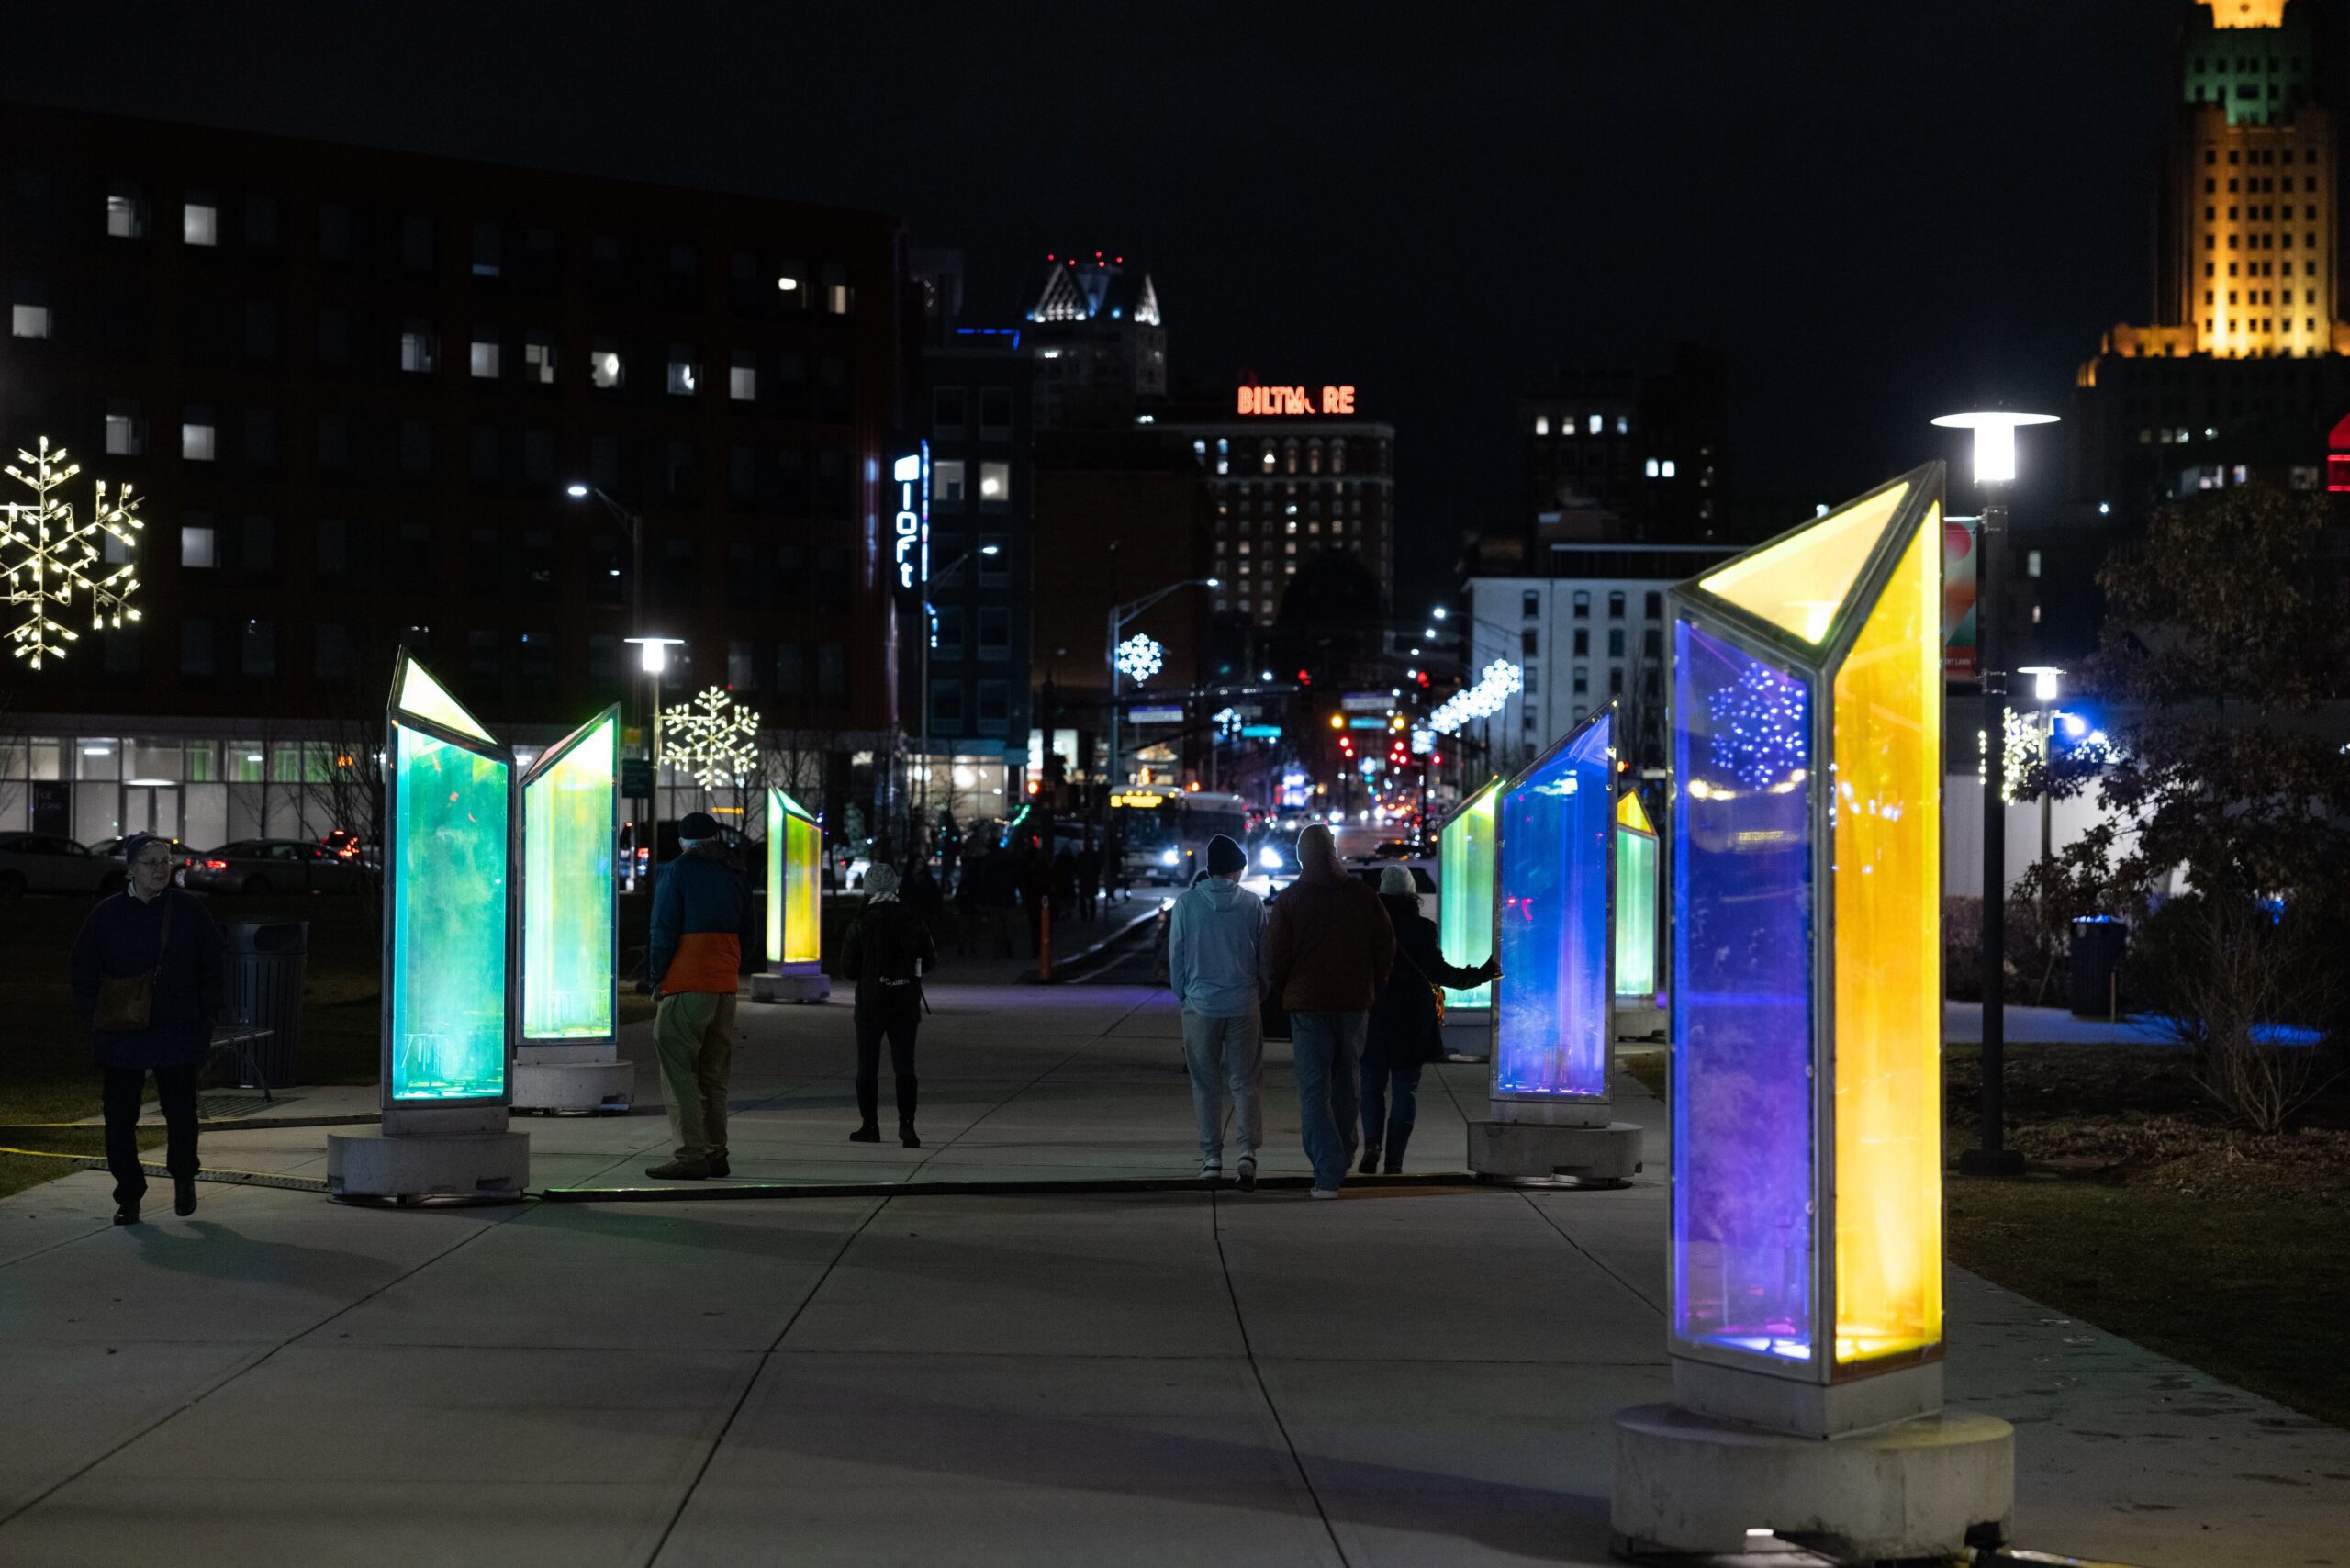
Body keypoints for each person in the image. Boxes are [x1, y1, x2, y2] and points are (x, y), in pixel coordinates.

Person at [69, 833, 225, 1225]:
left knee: (180, 1110)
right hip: (122, 1031)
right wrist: (93, 1017)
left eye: (166, 862)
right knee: (120, 1117)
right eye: (151, 862)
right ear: (131, 869)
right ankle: (129, 1194)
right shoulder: (107, 914)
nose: (160, 870)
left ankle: (184, 1175)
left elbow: (213, 965)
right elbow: (82, 968)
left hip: (178, 1028)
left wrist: (206, 1016)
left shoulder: (189, 911)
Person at [1264, 823, 1394, 1198]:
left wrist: (1285, 986)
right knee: (1347, 1083)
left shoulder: (1290, 900)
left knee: (1313, 1088)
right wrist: (1374, 983)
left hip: (1308, 1006)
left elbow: (1276, 957)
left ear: (1301, 856)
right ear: (1334, 851)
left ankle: (1327, 1169)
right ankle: (1343, 1155)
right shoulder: (1362, 896)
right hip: (1354, 1003)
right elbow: (1386, 945)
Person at [1365, 865, 1496, 1174]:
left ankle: (1372, 1144)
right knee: (1405, 1090)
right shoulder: (1423, 929)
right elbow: (1439, 972)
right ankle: (1394, 1161)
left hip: (1374, 1017)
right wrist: (1479, 975)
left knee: (1371, 1087)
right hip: (1412, 1021)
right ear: (1413, 894)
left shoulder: (1368, 927)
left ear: (1381, 894)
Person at [645, 811, 746, 1181]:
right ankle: (716, 1153)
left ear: (685, 842)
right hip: (725, 987)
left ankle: (690, 1156)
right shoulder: (735, 873)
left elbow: (663, 928)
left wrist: (656, 976)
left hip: (687, 984)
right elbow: (747, 933)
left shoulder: (676, 872)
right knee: (714, 1075)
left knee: (679, 1072)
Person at [1167, 834, 1266, 1190]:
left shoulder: (1186, 904)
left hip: (1200, 1004)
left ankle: (1211, 1158)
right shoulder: (1253, 905)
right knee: (1245, 1082)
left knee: (1205, 1083)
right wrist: (1259, 992)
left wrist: (1184, 995)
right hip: (1243, 1004)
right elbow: (1263, 958)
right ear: (1237, 869)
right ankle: (1247, 1153)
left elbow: (1176, 956)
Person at [838, 863, 939, 1147]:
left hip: (870, 1005)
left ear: (868, 891)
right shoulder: (913, 922)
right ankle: (907, 1127)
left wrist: (871, 975)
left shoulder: (860, 924)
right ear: (895, 888)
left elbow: (847, 969)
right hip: (905, 1004)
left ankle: (870, 1126)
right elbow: (930, 961)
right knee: (904, 1066)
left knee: (867, 1067)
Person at [1076, 835, 1103, 923]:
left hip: (1087, 878)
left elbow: (1078, 865)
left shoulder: (1084, 854)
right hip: (1089, 878)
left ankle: (1087, 915)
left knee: (1086, 898)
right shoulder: (1091, 854)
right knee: (1089, 898)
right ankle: (1090, 915)